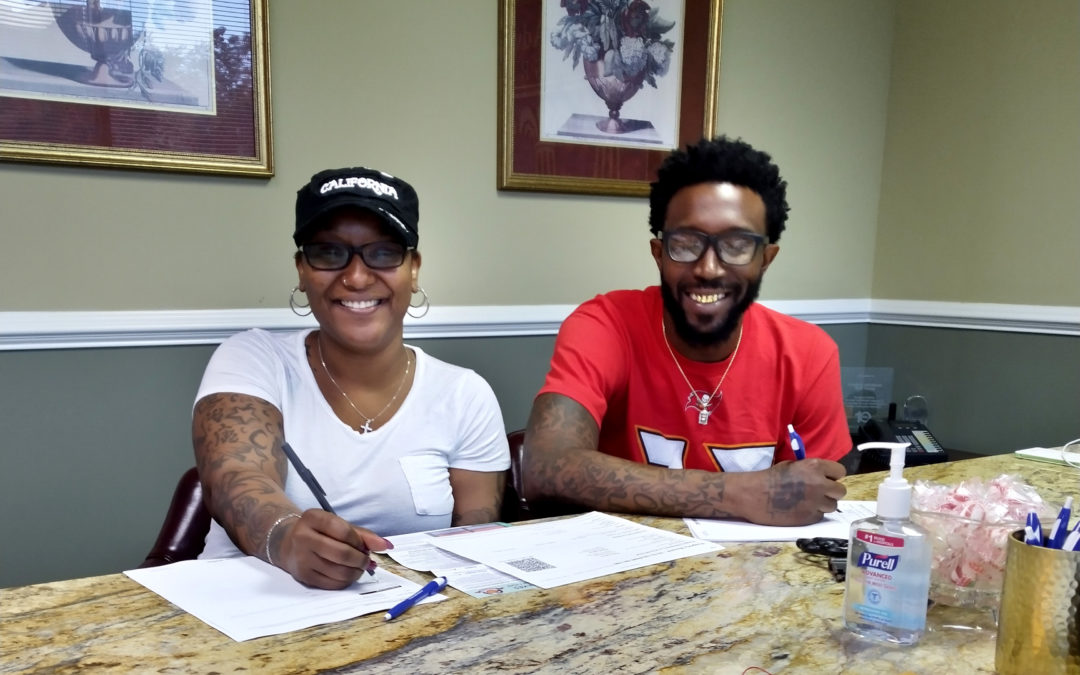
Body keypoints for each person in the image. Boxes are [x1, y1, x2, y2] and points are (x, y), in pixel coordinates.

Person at [193, 167, 509, 589]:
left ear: (413, 270)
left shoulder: (464, 394)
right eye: (328, 253)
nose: (357, 277)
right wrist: (285, 538)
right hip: (245, 611)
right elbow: (235, 479)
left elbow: (474, 545)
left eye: (382, 253)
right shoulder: (252, 358)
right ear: (302, 271)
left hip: (400, 620)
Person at [523, 136, 850, 526]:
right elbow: (546, 467)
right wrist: (741, 493)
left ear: (766, 259)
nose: (708, 268)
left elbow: (819, 491)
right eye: (686, 243)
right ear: (659, 253)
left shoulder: (808, 353)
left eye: (736, 245)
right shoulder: (604, 324)